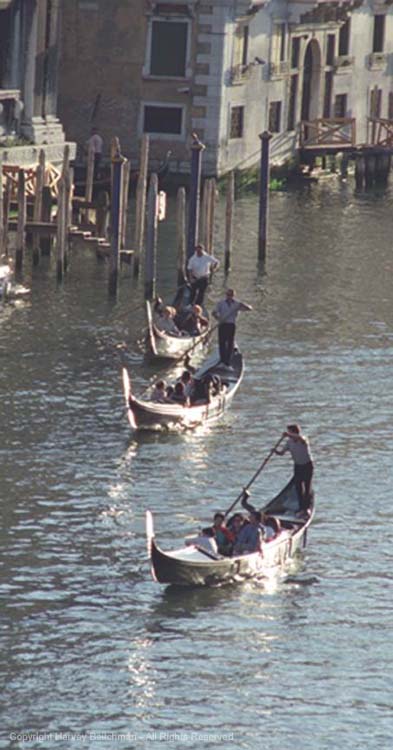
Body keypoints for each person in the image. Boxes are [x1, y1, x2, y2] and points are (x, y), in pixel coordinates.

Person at [274, 424, 314, 516]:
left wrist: (288, 435)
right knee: (298, 487)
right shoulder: (289, 442)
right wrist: (275, 451)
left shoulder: (303, 439)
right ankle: (301, 508)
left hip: (307, 465)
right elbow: (282, 453)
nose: (288, 434)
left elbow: (301, 438)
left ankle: (307, 508)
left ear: (294, 432)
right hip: (298, 466)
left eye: (290, 431)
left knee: (307, 486)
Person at [213, 288, 252, 368]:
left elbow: (249, 308)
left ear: (233, 296)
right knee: (222, 343)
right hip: (222, 324)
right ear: (226, 295)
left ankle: (228, 362)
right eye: (228, 295)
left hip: (231, 325)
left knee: (230, 343)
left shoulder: (237, 304)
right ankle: (222, 360)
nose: (229, 297)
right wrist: (218, 318)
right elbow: (214, 313)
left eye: (231, 295)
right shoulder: (221, 303)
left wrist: (243, 305)